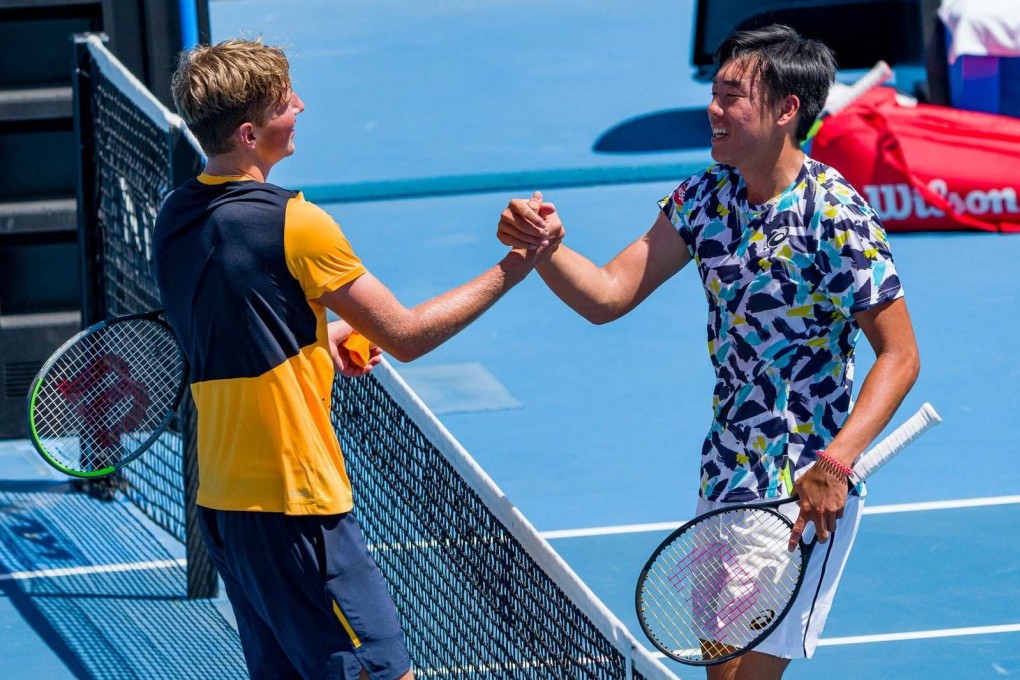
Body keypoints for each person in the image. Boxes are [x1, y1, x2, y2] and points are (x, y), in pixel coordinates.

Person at [498, 24, 920, 680]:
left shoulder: (835, 217)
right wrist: (545, 249)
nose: (713, 110)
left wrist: (836, 465)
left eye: (732, 96)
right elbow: (609, 294)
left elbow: (900, 355)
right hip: (725, 472)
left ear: (786, 111)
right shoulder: (705, 199)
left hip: (800, 487)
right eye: (715, 92)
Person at [153, 38, 559, 680]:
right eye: (286, 102)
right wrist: (519, 264)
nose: (301, 106)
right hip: (297, 508)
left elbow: (236, 322)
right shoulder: (295, 223)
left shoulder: (175, 216)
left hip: (226, 505)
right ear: (251, 132)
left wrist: (322, 335)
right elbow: (407, 336)